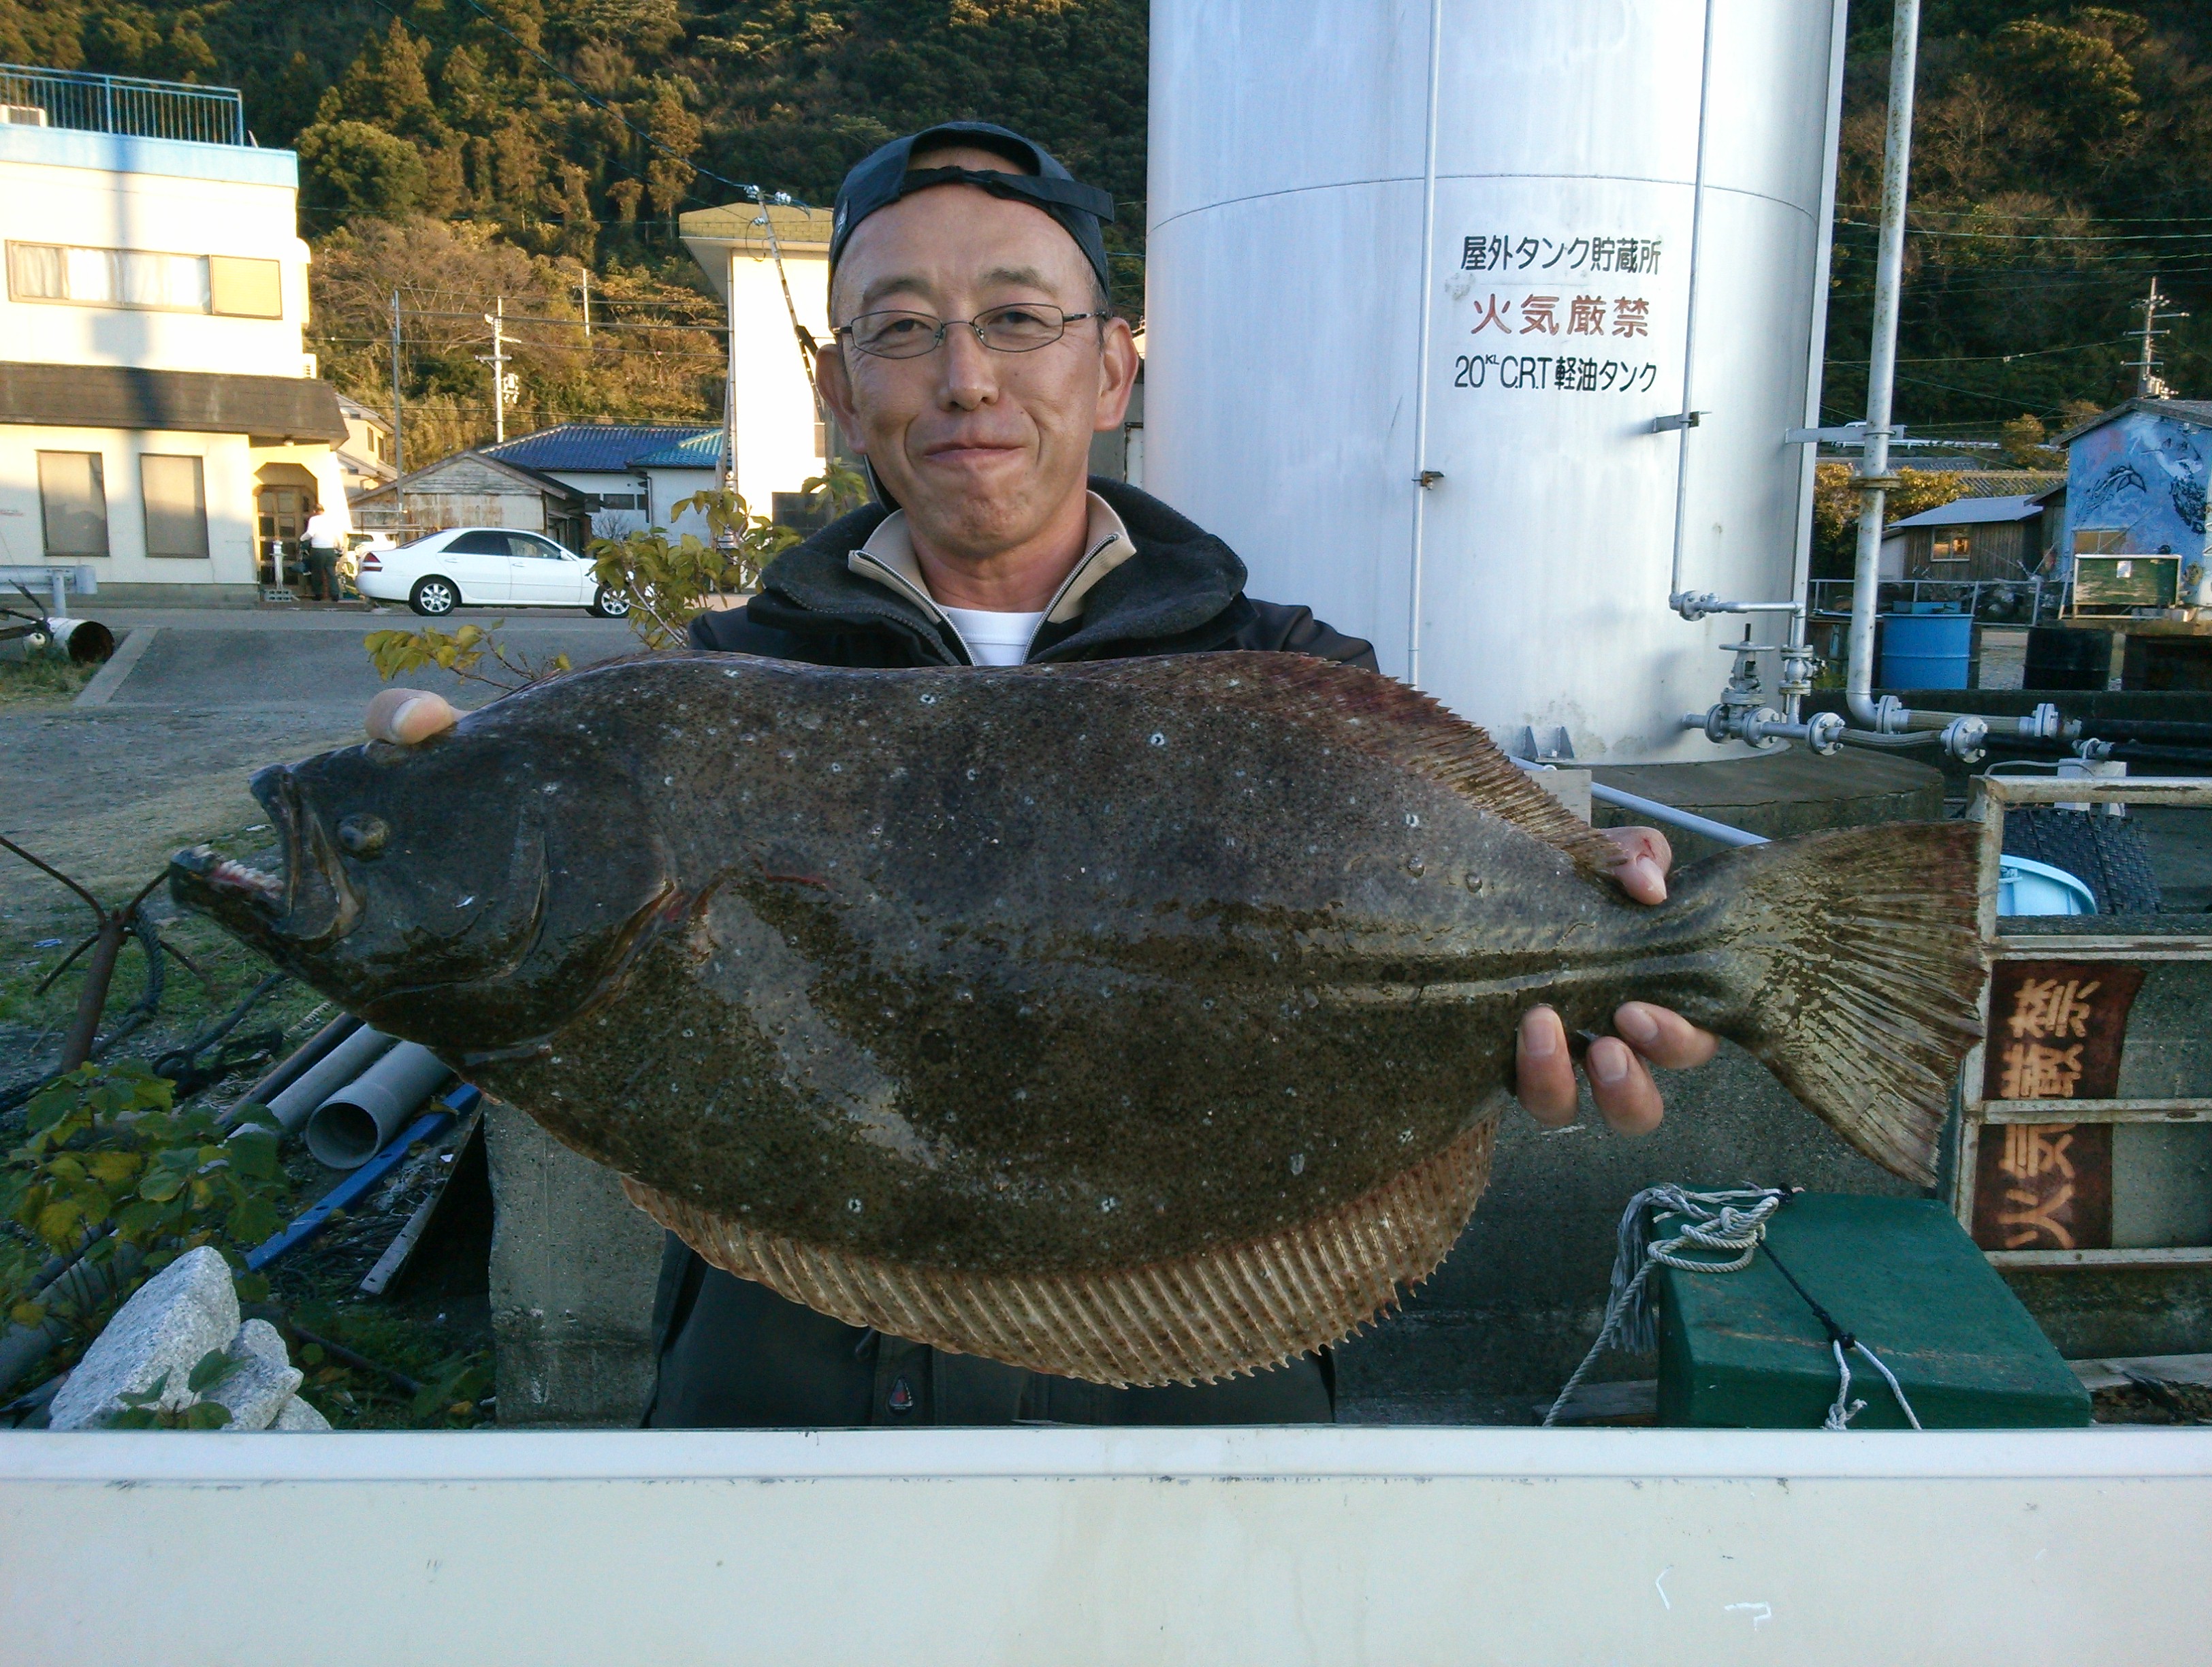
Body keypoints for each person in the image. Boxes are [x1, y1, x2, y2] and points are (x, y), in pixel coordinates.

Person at [364, 122, 1718, 1427]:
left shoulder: (1297, 674)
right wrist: (441, 857)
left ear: (1115, 369)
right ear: (839, 389)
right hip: (783, 1409)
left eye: (1019, 319)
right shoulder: (712, 692)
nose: (965, 378)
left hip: (1195, 1418)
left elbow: (1497, 942)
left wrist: (1616, 946)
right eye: (901, 328)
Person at [300, 502, 346, 602]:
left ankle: (318, 594)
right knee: (331, 573)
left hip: (317, 549)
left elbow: (310, 533)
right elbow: (338, 535)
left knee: (317, 573)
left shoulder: (314, 519)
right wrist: (340, 547)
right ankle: (335, 594)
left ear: (314, 511)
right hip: (330, 549)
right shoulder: (331, 520)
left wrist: (302, 539)